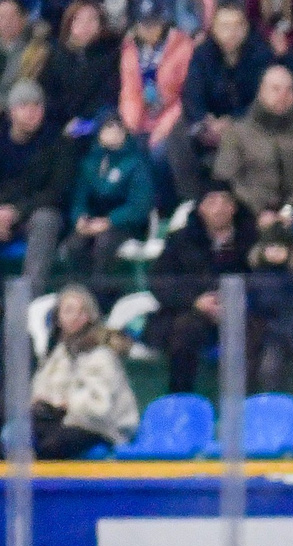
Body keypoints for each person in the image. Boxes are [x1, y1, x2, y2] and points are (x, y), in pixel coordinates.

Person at [149, 179, 253, 398]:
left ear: (234, 207)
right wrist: (196, 302)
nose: (219, 209)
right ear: (201, 208)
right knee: (185, 330)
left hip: (245, 313)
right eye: (212, 202)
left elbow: (264, 280)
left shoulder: (250, 239)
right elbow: (159, 281)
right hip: (193, 315)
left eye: (225, 202)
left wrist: (233, 303)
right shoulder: (180, 240)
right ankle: (180, 398)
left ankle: (248, 405)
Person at [215, 64, 293, 249]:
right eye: (275, 89)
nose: (282, 96)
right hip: (251, 214)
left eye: (288, 90)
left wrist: (290, 210)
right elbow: (228, 177)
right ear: (261, 91)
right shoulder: (237, 132)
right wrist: (259, 210)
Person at [175, 3, 272, 204]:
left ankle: (237, 202)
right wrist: (205, 121)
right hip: (210, 123)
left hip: (248, 123)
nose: (232, 33)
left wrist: (232, 122)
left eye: (237, 26)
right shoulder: (203, 53)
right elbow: (192, 94)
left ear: (246, 28)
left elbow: (263, 100)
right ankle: (192, 201)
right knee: (177, 134)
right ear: (214, 28)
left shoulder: (261, 53)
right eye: (225, 26)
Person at [28, 284, 139, 458]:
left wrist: (65, 403)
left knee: (52, 445)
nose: (75, 317)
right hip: (64, 420)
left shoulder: (101, 354)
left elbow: (100, 407)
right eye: (69, 311)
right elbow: (41, 388)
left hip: (102, 427)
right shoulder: (59, 352)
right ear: (58, 317)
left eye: (82, 312)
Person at [63, 111, 156, 300]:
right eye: (108, 127)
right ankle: (80, 296)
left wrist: (109, 221)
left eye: (118, 127)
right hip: (94, 222)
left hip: (126, 224)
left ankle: (102, 300)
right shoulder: (89, 163)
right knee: (74, 245)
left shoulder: (136, 162)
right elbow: (80, 198)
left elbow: (140, 205)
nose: (114, 131)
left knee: (104, 243)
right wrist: (80, 218)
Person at [120, 0, 197, 193]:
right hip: (142, 117)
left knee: (159, 153)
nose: (149, 30)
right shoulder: (130, 49)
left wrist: (163, 128)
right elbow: (130, 91)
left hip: (173, 117)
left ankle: (166, 207)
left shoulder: (182, 45)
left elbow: (186, 95)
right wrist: (131, 127)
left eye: (153, 23)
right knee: (130, 151)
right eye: (143, 24)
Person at [0, 79, 67, 288]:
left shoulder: (57, 142)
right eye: (24, 106)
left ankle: (29, 301)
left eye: (37, 105)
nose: (31, 112)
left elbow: (57, 191)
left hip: (33, 214)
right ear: (11, 111)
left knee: (46, 219)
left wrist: (16, 211)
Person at [43, 2, 123, 139]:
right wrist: (64, 122)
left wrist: (84, 120)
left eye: (92, 19)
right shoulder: (56, 56)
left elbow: (109, 93)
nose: (85, 25)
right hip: (61, 123)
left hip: (97, 121)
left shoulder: (111, 53)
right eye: (78, 19)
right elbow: (50, 95)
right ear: (69, 23)